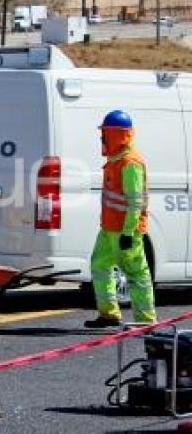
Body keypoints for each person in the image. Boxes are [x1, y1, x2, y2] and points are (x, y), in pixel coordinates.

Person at [85, 110, 156, 328]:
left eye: (105, 133)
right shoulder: (116, 160)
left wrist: (128, 232)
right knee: (100, 265)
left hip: (125, 230)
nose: (102, 138)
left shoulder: (129, 162)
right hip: (109, 228)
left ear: (117, 134)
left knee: (136, 273)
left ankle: (145, 321)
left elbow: (135, 202)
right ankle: (109, 314)